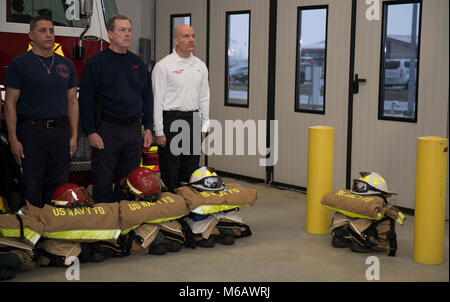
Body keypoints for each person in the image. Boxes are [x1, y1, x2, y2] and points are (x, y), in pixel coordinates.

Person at [4, 15, 79, 208]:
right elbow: (10, 103)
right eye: (43, 30)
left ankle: (54, 234)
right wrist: (13, 139)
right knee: (30, 186)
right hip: (31, 132)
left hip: (59, 131)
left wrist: (74, 135)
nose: (49, 35)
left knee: (58, 188)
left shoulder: (67, 65)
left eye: (52, 30)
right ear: (31, 35)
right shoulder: (19, 64)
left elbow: (72, 102)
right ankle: (32, 234)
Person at [79, 15, 153, 203]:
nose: (127, 34)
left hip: (133, 130)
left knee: (128, 181)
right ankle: (105, 224)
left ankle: (124, 223)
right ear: (110, 34)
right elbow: (85, 100)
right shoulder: (97, 63)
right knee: (103, 179)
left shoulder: (138, 65)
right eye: (122, 30)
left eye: (129, 30)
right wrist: (91, 132)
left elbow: (147, 97)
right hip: (107, 130)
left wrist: (148, 128)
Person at [152, 24, 210, 193]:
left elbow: (205, 98)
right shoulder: (163, 66)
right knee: (171, 171)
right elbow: (157, 100)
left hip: (193, 120)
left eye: (193, 35)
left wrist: (204, 127)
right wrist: (159, 131)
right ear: (176, 40)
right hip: (171, 121)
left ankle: (189, 213)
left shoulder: (200, 66)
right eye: (186, 36)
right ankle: (171, 212)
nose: (191, 39)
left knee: (191, 170)